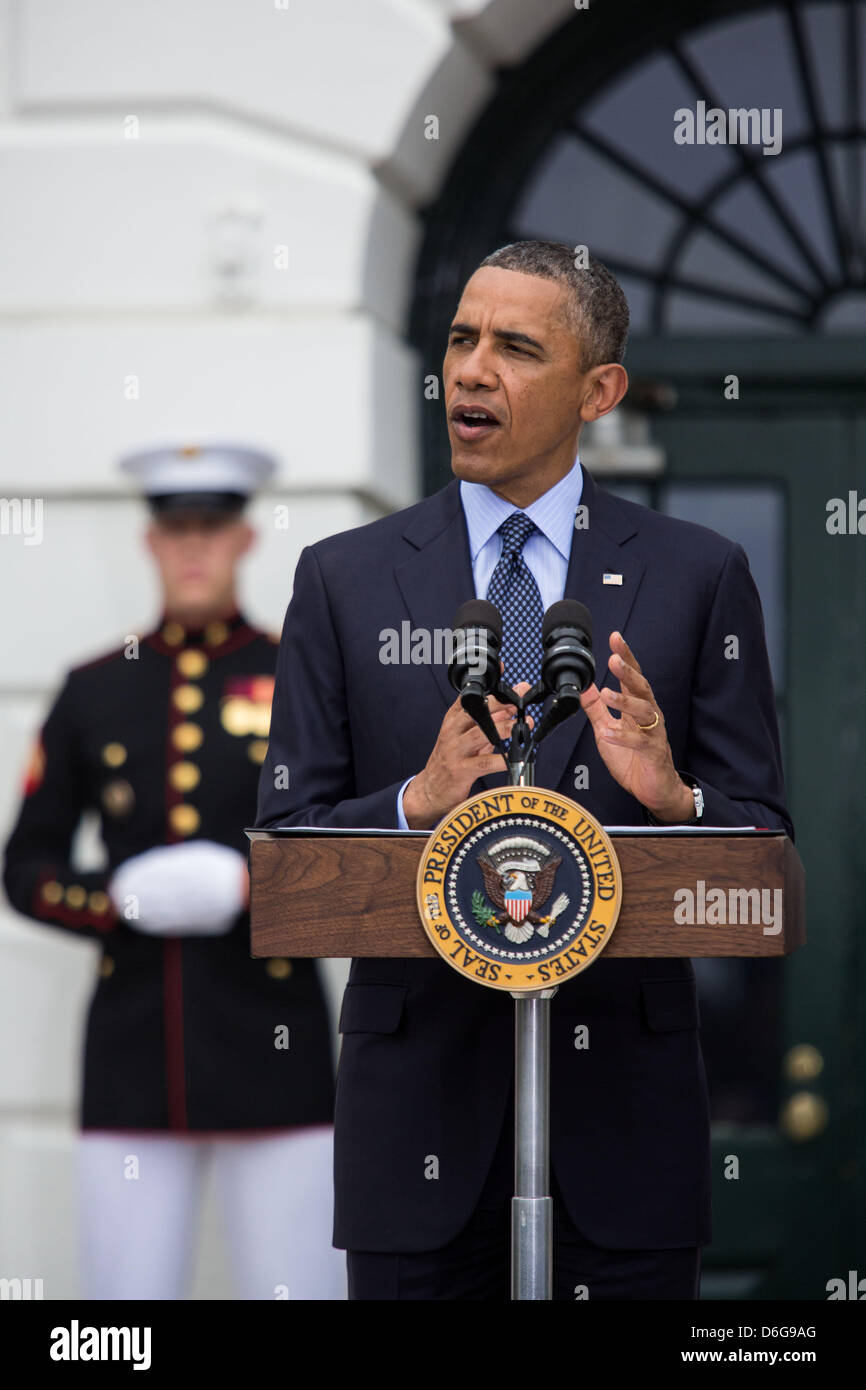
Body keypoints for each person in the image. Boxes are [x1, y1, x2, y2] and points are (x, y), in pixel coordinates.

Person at [256, 241, 793, 1300]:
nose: (470, 370)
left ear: (597, 390)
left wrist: (672, 799)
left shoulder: (695, 576)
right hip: (416, 1122)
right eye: (459, 339)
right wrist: (417, 801)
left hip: (623, 1129)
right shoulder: (343, 580)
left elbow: (762, 863)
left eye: (513, 347)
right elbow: (285, 860)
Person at [3, 444, 344, 1300]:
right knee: (125, 1319)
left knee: (302, 1291)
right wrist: (113, 901)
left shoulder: (299, 679)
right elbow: (27, 864)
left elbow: (354, 847)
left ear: (244, 538)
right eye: (176, 527)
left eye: (213, 526)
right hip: (134, 1055)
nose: (194, 545)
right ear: (150, 542)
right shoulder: (93, 689)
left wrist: (252, 887)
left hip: (278, 1048)